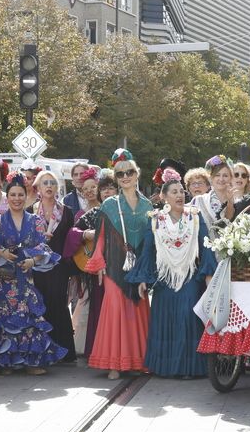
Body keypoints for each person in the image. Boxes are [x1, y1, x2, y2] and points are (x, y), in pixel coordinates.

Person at [127, 170, 216, 378]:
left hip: (190, 276)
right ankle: (165, 368)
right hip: (164, 279)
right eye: (174, 192)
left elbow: (206, 247)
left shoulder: (195, 217)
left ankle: (188, 368)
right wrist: (143, 279)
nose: (179, 195)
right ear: (164, 197)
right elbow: (148, 251)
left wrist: (209, 276)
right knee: (164, 320)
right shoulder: (156, 220)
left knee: (187, 317)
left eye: (181, 191)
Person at [0, 174, 68, 374]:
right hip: (1, 280)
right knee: (3, 318)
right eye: (12, 195)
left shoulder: (35, 220)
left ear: (26, 196)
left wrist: (33, 260)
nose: (16, 198)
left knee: (27, 317)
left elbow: (43, 246)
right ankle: (6, 362)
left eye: (20, 195)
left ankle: (31, 362)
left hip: (25, 276)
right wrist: (1, 251)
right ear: (7, 197)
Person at [85, 150, 152, 379]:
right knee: (115, 310)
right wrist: (99, 263)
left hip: (139, 267)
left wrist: (148, 269)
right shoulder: (109, 205)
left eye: (129, 172)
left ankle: (137, 361)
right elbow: (100, 237)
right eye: (120, 174)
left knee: (136, 311)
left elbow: (151, 241)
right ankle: (114, 363)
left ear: (137, 174)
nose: (125, 177)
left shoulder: (148, 206)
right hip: (114, 266)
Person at [29, 169, 77, 360]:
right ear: (38, 188)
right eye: (45, 183)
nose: (49, 186)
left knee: (59, 302)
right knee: (41, 304)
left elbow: (72, 241)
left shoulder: (67, 211)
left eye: (52, 183)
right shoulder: (31, 211)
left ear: (57, 187)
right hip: (37, 265)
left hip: (59, 265)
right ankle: (44, 352)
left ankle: (65, 352)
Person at [66, 167, 107, 357]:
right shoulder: (82, 214)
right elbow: (73, 237)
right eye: (85, 189)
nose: (89, 191)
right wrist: (84, 234)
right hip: (89, 266)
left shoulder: (109, 209)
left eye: (93, 187)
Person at [190, 155, 236, 229]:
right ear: (211, 178)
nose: (221, 179)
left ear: (231, 178)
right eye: (217, 175)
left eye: (225, 175)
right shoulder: (198, 200)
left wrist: (230, 202)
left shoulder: (237, 201)